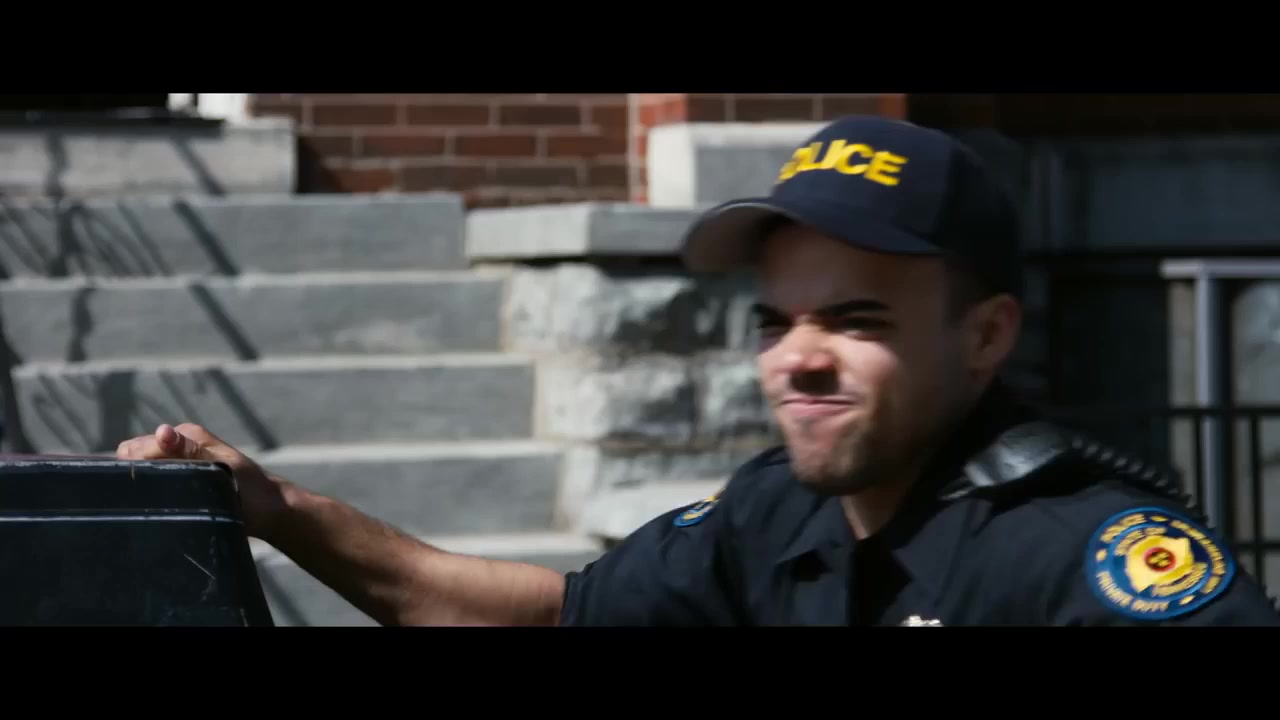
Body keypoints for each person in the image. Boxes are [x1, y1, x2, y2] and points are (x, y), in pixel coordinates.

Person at [117, 115, 1280, 625]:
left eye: (855, 319)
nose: (798, 359)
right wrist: (280, 512)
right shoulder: (774, 517)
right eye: (776, 320)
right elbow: (546, 617)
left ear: (983, 337)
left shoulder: (1083, 559)